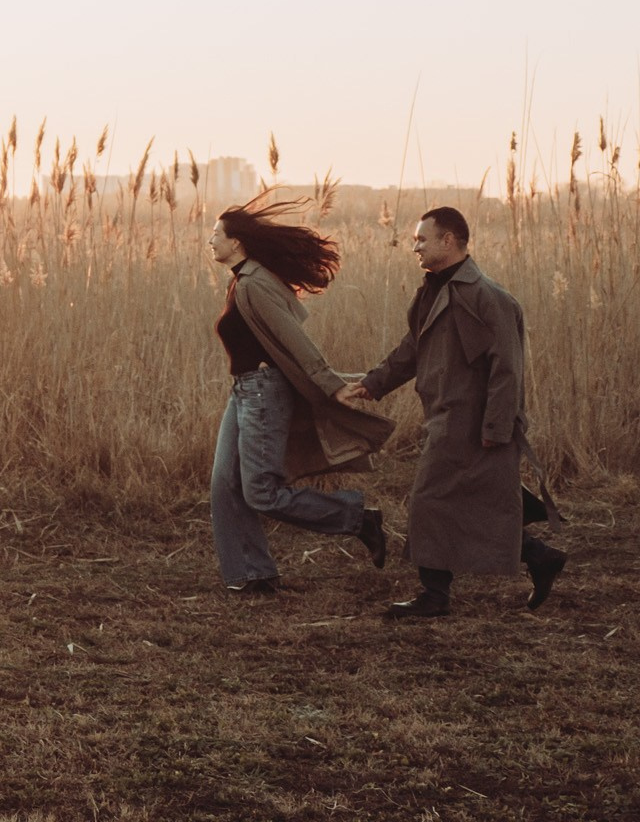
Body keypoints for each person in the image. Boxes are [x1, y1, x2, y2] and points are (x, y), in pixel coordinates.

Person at [338, 206, 567, 616]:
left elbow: (507, 369)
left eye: (422, 240)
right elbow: (413, 349)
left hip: (473, 422)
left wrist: (496, 428)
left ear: (449, 240)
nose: (415, 248)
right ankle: (538, 556)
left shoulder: (489, 298)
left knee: (430, 501)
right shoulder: (431, 292)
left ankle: (434, 595)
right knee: (466, 505)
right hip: (445, 417)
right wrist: (373, 384)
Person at [207, 197, 397, 594]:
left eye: (216, 235)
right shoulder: (242, 279)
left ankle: (357, 518)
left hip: (261, 392)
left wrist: (330, 384)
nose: (210, 241)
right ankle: (252, 573)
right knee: (225, 484)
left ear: (236, 242)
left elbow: (295, 341)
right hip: (243, 391)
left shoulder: (255, 284)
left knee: (261, 491)